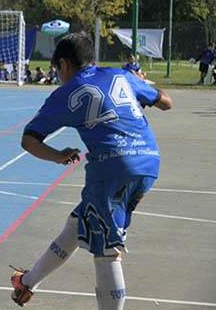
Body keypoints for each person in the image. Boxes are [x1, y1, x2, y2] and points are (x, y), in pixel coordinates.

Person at [9, 32, 172, 310]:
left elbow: (29, 140)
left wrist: (58, 156)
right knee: (77, 224)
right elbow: (166, 102)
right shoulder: (121, 76)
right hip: (149, 162)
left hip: (112, 166)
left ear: (64, 65)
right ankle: (27, 283)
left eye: (56, 70)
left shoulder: (66, 92)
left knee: (107, 250)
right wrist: (141, 86)